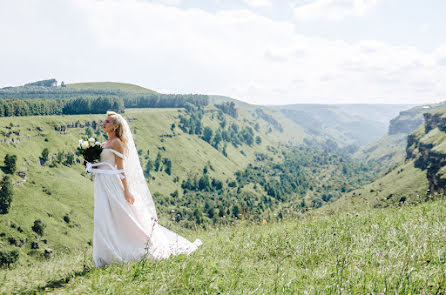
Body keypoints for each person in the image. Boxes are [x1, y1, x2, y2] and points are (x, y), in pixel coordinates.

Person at [88, 111, 202, 268]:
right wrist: (89, 163)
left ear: (115, 126)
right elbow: (102, 164)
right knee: (103, 216)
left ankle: (123, 248)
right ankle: (104, 255)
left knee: (120, 215)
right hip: (101, 184)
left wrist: (126, 190)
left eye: (107, 121)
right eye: (104, 121)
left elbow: (120, 169)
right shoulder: (103, 144)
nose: (104, 123)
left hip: (111, 183)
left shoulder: (116, 143)